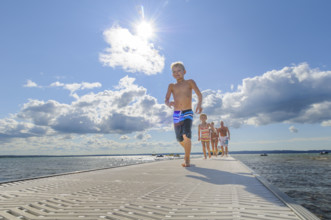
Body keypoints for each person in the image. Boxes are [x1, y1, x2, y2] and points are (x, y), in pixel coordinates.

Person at [165, 61, 203, 167]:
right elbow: (166, 99)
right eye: (174, 71)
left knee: (187, 134)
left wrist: (199, 104)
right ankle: (187, 149)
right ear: (172, 74)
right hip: (177, 113)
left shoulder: (190, 82)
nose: (176, 73)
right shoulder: (171, 86)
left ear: (184, 72)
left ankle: (187, 159)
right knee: (179, 138)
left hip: (187, 111)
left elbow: (199, 95)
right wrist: (169, 103)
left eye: (179, 70)